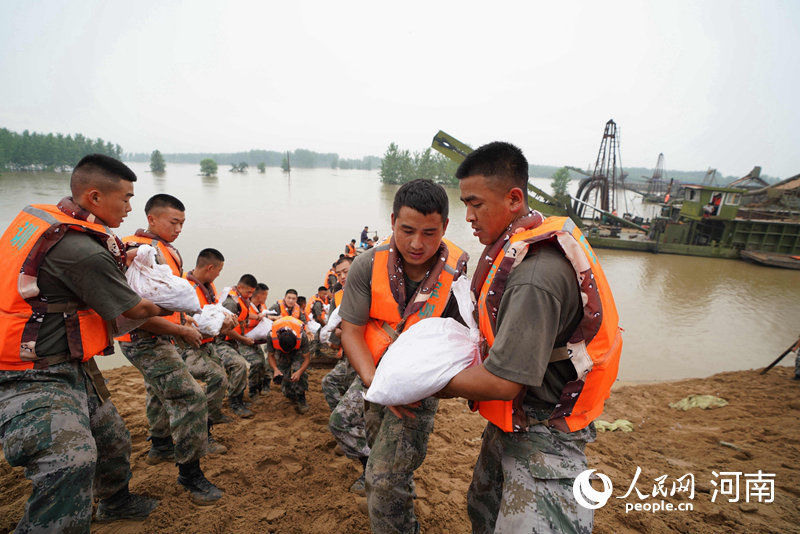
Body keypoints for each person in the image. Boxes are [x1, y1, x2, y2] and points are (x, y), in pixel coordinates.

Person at [439, 141, 621, 533]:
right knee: (483, 511)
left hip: (544, 436)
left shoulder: (534, 277)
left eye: (475, 204)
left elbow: (505, 383)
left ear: (514, 198)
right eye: (464, 204)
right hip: (513, 424)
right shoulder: (522, 248)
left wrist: (431, 384)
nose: (467, 216)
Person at [0, 154, 169, 530]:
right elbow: (137, 309)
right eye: (125, 198)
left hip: (71, 358)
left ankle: (116, 501)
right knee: (68, 462)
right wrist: (177, 303)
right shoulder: (81, 251)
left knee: (112, 439)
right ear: (94, 197)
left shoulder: (46, 216)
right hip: (31, 370)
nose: (130, 208)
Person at [340, 179, 468, 532]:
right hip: (374, 373)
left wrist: (414, 389)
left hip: (419, 387)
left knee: (382, 480)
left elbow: (460, 343)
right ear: (393, 220)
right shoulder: (366, 265)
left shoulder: (459, 276)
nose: (417, 244)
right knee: (378, 458)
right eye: (407, 230)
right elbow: (351, 330)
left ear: (445, 227)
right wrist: (376, 383)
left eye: (430, 233)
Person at [115, 193, 224, 505]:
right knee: (190, 396)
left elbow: (163, 294)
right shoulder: (139, 251)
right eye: (173, 222)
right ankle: (190, 473)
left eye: (182, 223)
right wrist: (180, 329)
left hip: (153, 334)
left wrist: (182, 317)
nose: (179, 228)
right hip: (144, 337)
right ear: (152, 219)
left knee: (157, 388)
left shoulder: (158, 248)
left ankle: (160, 443)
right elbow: (136, 311)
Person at [322, 255, 371, 494]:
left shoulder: (370, 288)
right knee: (329, 383)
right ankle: (354, 436)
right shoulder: (338, 298)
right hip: (351, 357)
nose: (342, 277)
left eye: (346, 271)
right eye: (338, 273)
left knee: (349, 418)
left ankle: (369, 468)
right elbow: (336, 334)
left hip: (371, 360)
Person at [182, 249, 235, 431]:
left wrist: (225, 321)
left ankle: (213, 413)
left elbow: (212, 312)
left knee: (221, 377)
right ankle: (205, 425)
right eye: (219, 271)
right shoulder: (184, 287)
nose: (219, 275)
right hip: (187, 346)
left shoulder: (209, 286)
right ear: (210, 267)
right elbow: (183, 323)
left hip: (207, 343)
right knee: (217, 378)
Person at [216, 275, 259, 415]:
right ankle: (235, 402)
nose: (251, 295)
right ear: (240, 288)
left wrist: (259, 317)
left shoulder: (241, 300)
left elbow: (244, 316)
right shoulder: (231, 303)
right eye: (249, 292)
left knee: (237, 369)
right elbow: (226, 329)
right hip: (220, 342)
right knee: (239, 365)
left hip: (232, 341)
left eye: (253, 292)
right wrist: (243, 340)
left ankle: (237, 397)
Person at [265, 316, 312, 413]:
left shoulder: (302, 336)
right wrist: (275, 370)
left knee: (298, 371)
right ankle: (291, 395)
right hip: (280, 352)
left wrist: (299, 372)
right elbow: (271, 356)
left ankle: (301, 398)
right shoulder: (271, 336)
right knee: (285, 382)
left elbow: (307, 358)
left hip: (297, 351)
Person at [239, 282, 273, 397]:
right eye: (266, 295)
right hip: (242, 340)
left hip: (255, 340)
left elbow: (264, 318)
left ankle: (261, 387)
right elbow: (241, 316)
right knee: (256, 363)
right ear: (259, 295)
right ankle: (252, 392)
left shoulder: (262, 307)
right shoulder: (245, 306)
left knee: (263, 363)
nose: (266, 298)